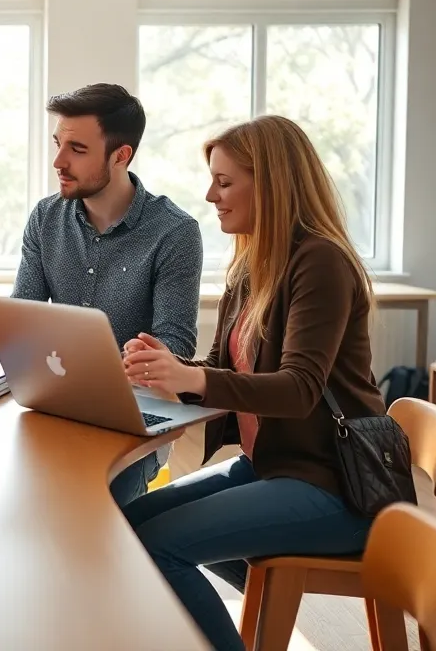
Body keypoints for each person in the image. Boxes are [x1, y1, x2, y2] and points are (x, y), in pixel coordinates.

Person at [119, 115, 384, 651]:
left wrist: (191, 377)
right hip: (271, 468)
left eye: (224, 181)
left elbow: (299, 388)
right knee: (124, 525)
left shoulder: (321, 262)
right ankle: (254, 614)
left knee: (155, 546)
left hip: (334, 485)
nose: (210, 194)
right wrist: (168, 367)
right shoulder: (250, 267)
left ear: (272, 184)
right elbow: (221, 370)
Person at [12, 83, 203, 508]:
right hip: (54, 407)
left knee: (94, 510)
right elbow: (22, 317)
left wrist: (129, 361)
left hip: (133, 418)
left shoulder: (174, 232)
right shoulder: (45, 218)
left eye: (77, 149)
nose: (58, 161)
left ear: (121, 155)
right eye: (58, 144)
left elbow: (176, 343)